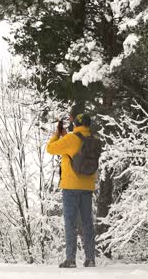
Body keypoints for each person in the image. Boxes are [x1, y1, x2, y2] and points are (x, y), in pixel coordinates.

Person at [46, 112, 96, 268]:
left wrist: (57, 134)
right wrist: (66, 136)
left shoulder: (69, 139)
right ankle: (90, 259)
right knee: (88, 223)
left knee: (70, 222)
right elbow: (77, 148)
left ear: (76, 125)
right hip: (87, 187)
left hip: (70, 187)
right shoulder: (93, 140)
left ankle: (71, 259)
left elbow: (50, 149)